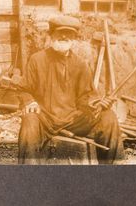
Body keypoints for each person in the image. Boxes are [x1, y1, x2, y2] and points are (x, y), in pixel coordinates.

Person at [17, 15, 124, 165]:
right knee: (29, 121)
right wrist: (30, 102)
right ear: (51, 35)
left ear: (74, 38)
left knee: (108, 118)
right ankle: (28, 177)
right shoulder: (37, 59)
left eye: (69, 34)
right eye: (60, 32)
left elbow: (86, 97)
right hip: (45, 119)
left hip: (73, 119)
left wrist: (97, 104)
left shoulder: (81, 65)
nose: (64, 36)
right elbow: (23, 89)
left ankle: (113, 172)